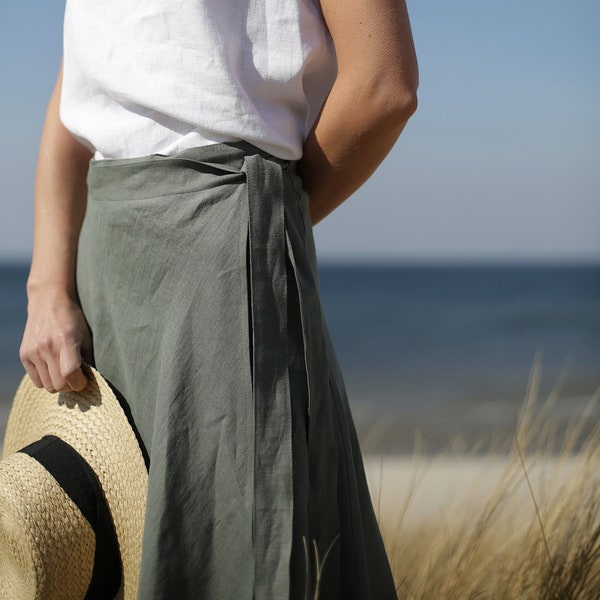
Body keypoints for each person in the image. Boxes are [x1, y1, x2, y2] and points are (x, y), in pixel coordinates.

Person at [19, 0, 418, 598]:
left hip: (220, 242)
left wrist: (263, 224)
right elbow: (77, 90)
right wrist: (47, 286)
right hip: (103, 256)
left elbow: (384, 84)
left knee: (239, 559)